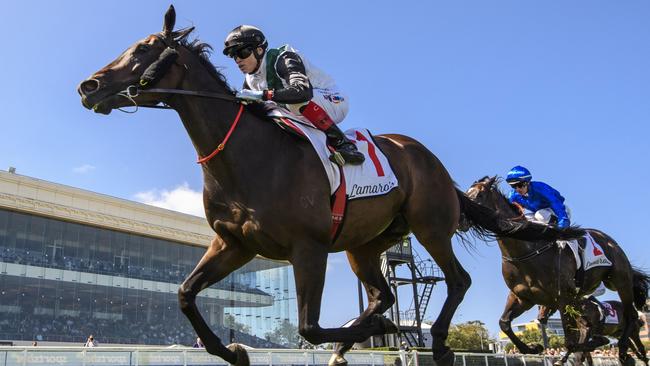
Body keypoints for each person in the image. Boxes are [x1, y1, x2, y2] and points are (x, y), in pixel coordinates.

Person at [222, 25, 365, 166]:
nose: (238, 60)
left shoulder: (283, 58)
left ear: (259, 50)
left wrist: (262, 95)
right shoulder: (250, 80)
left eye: (242, 52)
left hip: (333, 100)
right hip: (303, 109)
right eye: (233, 56)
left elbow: (302, 92)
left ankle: (344, 144)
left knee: (293, 102)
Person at [505, 166, 571, 228]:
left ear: (527, 182)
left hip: (560, 212)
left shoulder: (540, 188)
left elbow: (555, 202)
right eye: (513, 186)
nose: (517, 189)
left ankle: (562, 232)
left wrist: (563, 219)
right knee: (524, 220)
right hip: (542, 215)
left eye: (519, 185)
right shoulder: (513, 196)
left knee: (539, 215)